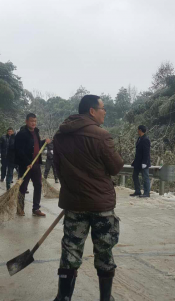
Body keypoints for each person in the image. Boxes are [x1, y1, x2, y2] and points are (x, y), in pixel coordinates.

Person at [52, 95, 124, 301]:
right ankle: (105, 298)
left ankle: (64, 297)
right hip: (100, 204)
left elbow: (58, 168)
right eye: (103, 108)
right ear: (92, 111)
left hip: (74, 204)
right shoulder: (101, 136)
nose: (105, 112)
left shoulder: (60, 135)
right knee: (104, 250)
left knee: (70, 250)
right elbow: (116, 166)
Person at [14, 113, 50, 217]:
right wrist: (26, 162)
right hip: (25, 165)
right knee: (23, 187)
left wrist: (44, 141)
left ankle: (36, 209)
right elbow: (19, 150)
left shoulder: (36, 132)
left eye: (35, 121)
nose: (33, 123)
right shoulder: (21, 134)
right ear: (26, 121)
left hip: (36, 164)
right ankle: (20, 209)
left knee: (38, 185)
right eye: (31, 121)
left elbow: (36, 145)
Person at [130, 125, 151, 198]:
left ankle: (146, 192)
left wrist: (145, 162)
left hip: (143, 162)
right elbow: (138, 152)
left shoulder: (146, 139)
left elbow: (146, 152)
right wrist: (134, 161)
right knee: (134, 175)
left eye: (138, 130)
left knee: (145, 177)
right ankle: (137, 191)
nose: (137, 131)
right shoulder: (139, 138)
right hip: (137, 162)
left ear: (140, 130)